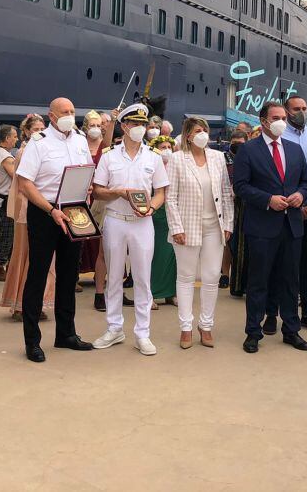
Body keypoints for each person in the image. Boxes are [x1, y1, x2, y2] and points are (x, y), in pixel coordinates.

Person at [15, 97, 95, 362]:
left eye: (73, 111)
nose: (70, 115)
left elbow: (84, 173)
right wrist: (50, 210)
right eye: (65, 112)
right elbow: (25, 183)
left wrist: (89, 187)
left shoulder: (80, 140)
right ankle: (32, 341)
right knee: (37, 275)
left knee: (68, 274)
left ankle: (66, 334)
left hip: (74, 211)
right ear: (51, 116)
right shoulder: (39, 143)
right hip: (45, 212)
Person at [232, 101, 307, 354]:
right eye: (275, 117)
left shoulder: (294, 149)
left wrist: (300, 194)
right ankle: (253, 332)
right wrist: (268, 200)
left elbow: (306, 181)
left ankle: (291, 329)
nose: (281, 121)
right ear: (263, 120)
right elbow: (241, 186)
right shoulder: (248, 150)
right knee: (259, 281)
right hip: (262, 227)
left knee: (290, 281)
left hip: (291, 225)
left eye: (283, 117)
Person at [91, 104, 169, 355]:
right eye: (135, 124)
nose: (139, 129)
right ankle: (114, 328)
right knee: (113, 276)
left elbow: (161, 192)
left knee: (143, 279)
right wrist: (119, 193)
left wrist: (151, 209)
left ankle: (142, 333)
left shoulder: (153, 157)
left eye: (143, 125)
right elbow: (98, 190)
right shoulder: (109, 156)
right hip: (115, 219)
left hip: (143, 223)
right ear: (124, 126)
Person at [165, 117, 233, 348]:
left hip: (214, 226)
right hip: (187, 227)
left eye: (205, 129)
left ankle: (206, 325)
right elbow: (170, 197)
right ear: (188, 135)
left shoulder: (217, 157)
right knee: (185, 277)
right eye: (197, 130)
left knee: (212, 276)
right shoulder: (176, 159)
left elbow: (225, 193)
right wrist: (176, 227)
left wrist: (228, 224)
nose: (203, 133)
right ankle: (186, 327)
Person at [266, 96, 307, 334]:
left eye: (304, 108)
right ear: (286, 111)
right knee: (278, 264)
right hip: (282, 211)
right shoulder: (278, 136)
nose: (301, 112)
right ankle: (271, 314)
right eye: (296, 109)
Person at [0, 115, 55, 318]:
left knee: (41, 259)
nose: (40, 132)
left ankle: (35, 302)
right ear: (26, 132)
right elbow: (23, 184)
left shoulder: (43, 149)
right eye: (35, 129)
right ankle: (22, 304)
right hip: (27, 209)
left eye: (43, 128)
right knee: (27, 257)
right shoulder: (24, 152)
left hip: (42, 207)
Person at [80, 110, 116, 311]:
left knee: (104, 244)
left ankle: (106, 286)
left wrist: (113, 120)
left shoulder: (106, 147)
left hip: (101, 197)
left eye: (98, 125)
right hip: (82, 195)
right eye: (91, 125)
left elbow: (108, 140)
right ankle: (78, 275)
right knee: (81, 238)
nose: (95, 128)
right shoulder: (79, 145)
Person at [148, 135, 179, 307]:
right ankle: (151, 294)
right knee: (157, 253)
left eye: (169, 146)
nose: (166, 149)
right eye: (163, 146)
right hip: (157, 213)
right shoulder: (152, 166)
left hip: (175, 213)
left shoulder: (177, 165)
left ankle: (171, 293)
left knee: (174, 254)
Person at [0, 124, 19, 282]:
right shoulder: (5, 157)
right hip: (5, 200)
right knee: (6, 235)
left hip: (4, 199)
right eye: (14, 136)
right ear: (7, 138)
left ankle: (1, 265)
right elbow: (17, 176)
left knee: (5, 234)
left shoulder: (0, 152)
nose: (16, 139)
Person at [225, 128, 250, 295]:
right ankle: (234, 283)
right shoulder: (223, 159)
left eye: (241, 144)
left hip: (247, 203)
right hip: (231, 204)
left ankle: (246, 284)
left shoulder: (250, 157)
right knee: (233, 245)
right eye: (235, 144)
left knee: (246, 247)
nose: (238, 147)